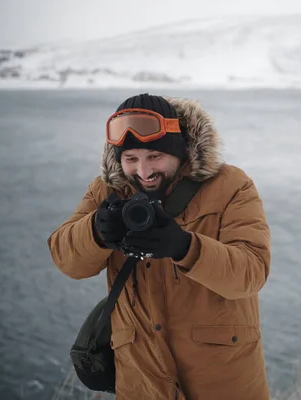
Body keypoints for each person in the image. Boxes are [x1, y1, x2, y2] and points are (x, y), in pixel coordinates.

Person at [47, 93, 272, 400]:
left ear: (180, 152)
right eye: (130, 159)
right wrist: (95, 232)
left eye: (154, 156)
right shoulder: (106, 190)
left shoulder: (230, 185)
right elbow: (66, 260)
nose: (143, 171)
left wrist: (185, 247)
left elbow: (251, 271)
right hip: (141, 385)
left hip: (223, 383)